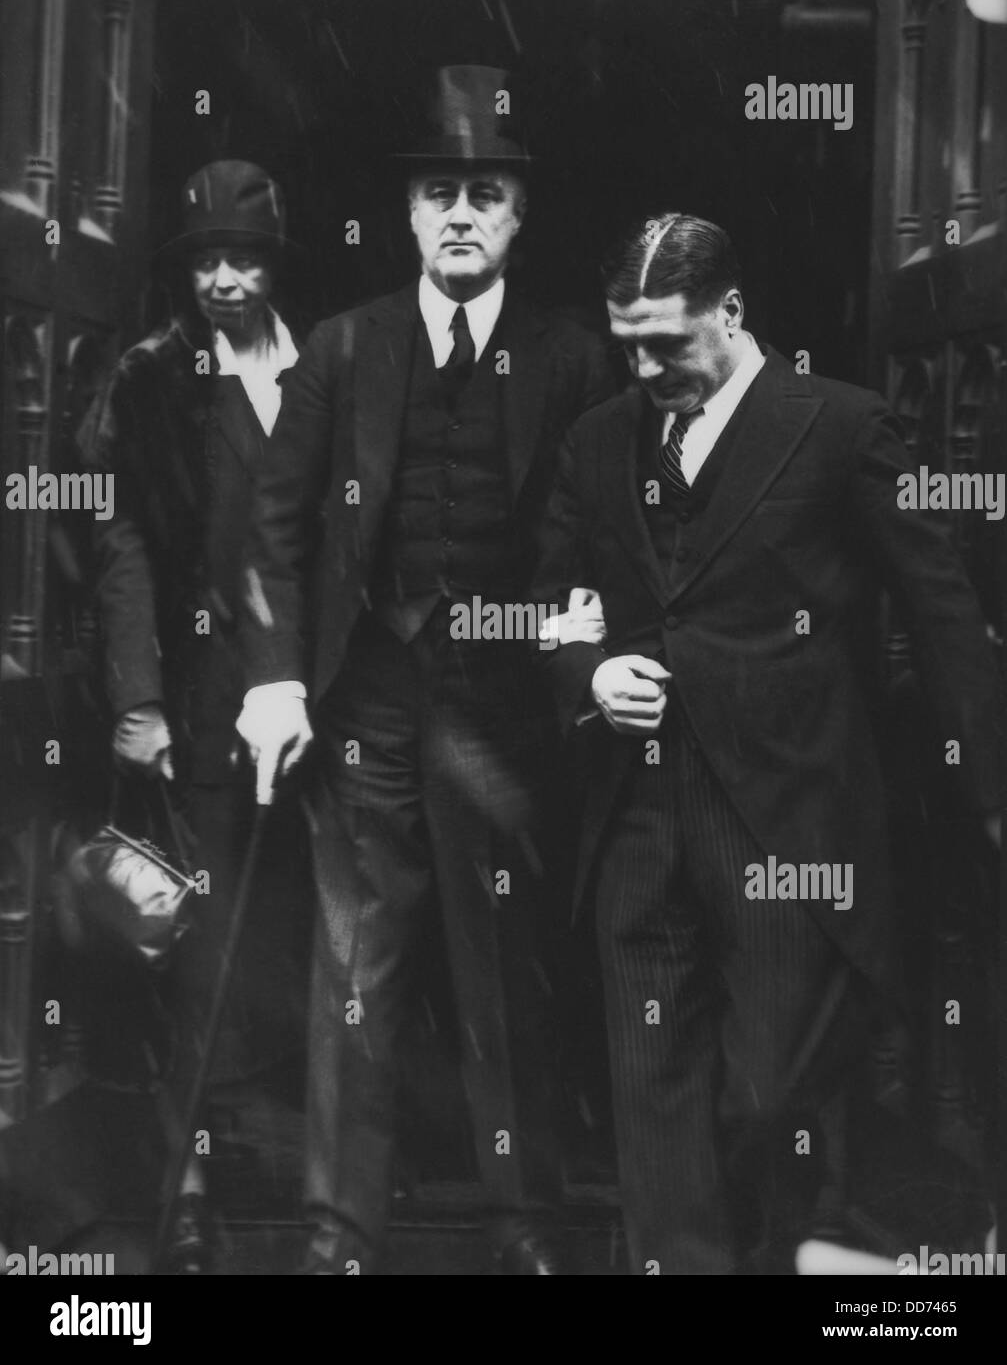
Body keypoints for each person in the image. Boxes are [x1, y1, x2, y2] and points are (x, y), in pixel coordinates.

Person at [532, 212, 1003, 1274]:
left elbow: (938, 613)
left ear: (732, 312)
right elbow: (552, 604)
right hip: (635, 824)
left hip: (789, 827)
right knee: (651, 1114)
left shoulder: (839, 426)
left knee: (767, 1094)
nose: (644, 366)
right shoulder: (596, 441)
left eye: (666, 340)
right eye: (627, 344)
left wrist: (989, 782)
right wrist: (587, 673)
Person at [236, 66, 613, 1274]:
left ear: (517, 217)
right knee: (356, 969)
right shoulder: (344, 352)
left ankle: (527, 1229)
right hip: (365, 707)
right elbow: (277, 535)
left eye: (486, 194)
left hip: (503, 716)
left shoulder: (571, 361)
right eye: (440, 192)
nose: (460, 213)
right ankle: (340, 1234)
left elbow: (601, 536)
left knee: (508, 977)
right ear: (408, 214)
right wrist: (276, 680)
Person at [77, 159, 306, 1273]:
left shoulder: (326, 367)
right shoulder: (151, 377)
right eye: (206, 259)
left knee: (317, 942)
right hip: (199, 700)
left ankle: (327, 1185)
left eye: (245, 258)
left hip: (321, 699)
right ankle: (188, 1191)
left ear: (275, 263)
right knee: (195, 950)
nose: (223, 278)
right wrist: (138, 700)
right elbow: (118, 549)